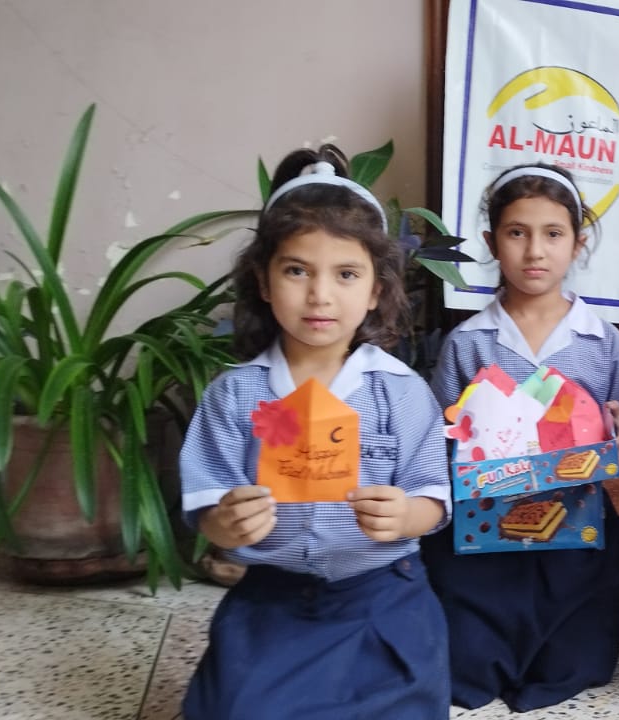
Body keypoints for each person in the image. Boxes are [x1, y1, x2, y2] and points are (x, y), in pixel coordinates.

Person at [179, 145, 452, 719]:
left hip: (382, 593)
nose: (320, 295)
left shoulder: (400, 392)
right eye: (297, 270)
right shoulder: (237, 393)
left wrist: (407, 515)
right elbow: (206, 501)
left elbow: (435, 496)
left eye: (346, 274)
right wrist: (223, 521)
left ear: (376, 289)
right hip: (273, 595)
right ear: (263, 280)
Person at [420, 162, 619, 712]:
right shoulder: (468, 343)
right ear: (492, 241)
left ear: (578, 242)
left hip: (574, 530)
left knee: (575, 665)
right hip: (486, 536)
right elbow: (437, 436)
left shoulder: (601, 341)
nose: (535, 251)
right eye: (517, 233)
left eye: (553, 234)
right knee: (466, 671)